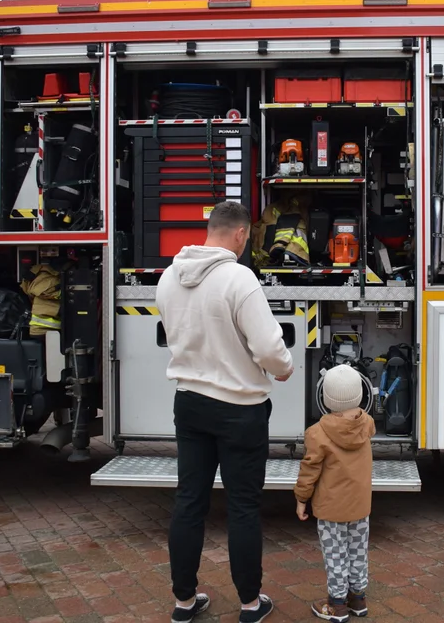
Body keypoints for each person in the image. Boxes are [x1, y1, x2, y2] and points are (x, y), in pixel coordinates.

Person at [156, 200, 293, 623]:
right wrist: (284, 369)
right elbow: (270, 349)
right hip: (240, 410)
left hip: (190, 404)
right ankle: (250, 605)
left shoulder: (168, 276)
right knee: (243, 508)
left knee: (189, 502)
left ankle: (183, 602)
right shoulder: (239, 279)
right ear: (239, 234)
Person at [295, 365, 377, 623]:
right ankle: (358, 599)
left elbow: (310, 470)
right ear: (360, 395)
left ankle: (337, 605)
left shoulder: (318, 433)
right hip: (360, 507)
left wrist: (301, 498)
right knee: (358, 551)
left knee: (335, 555)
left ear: (326, 398)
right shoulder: (368, 424)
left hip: (331, 510)